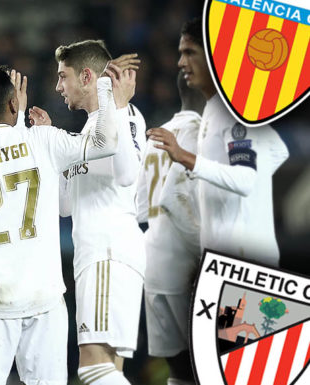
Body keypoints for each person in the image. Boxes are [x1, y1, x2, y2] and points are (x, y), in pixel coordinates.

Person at [0, 65, 132, 385]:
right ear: (14, 103)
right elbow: (105, 144)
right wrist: (109, 95)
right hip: (44, 299)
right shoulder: (43, 140)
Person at [29, 40, 145, 385]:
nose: (58, 86)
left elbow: (127, 175)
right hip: (97, 255)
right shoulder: (88, 130)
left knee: (92, 369)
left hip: (108, 253)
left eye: (63, 77)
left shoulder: (124, 114)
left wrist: (113, 98)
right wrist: (53, 150)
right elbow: (66, 205)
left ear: (86, 76)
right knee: (107, 370)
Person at [148, 17, 289, 268]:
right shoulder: (218, 106)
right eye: (181, 54)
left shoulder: (236, 112)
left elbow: (245, 180)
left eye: (189, 53)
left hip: (245, 262)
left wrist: (185, 158)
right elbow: (278, 151)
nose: (181, 63)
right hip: (227, 260)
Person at [137, 70, 205, 385]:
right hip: (186, 264)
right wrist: (206, 255)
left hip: (154, 260)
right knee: (209, 368)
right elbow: (176, 198)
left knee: (179, 373)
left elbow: (142, 210)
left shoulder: (156, 136)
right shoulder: (199, 134)